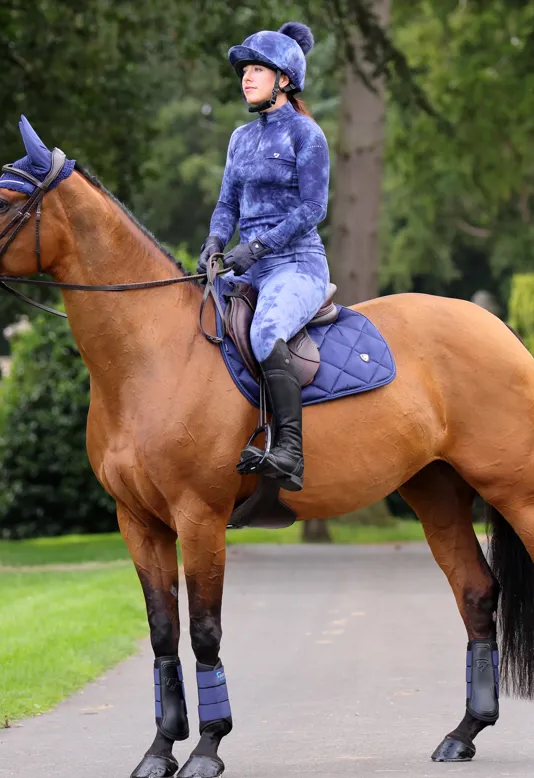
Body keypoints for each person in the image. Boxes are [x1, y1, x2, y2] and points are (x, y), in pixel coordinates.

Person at [198, 21, 330, 492]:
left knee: (266, 330)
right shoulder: (240, 138)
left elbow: (313, 209)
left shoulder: (306, 134)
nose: (246, 77)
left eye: (257, 69)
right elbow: (227, 205)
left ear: (284, 80)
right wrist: (214, 242)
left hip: (296, 265)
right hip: (245, 267)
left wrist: (255, 247)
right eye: (244, 70)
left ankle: (290, 451)